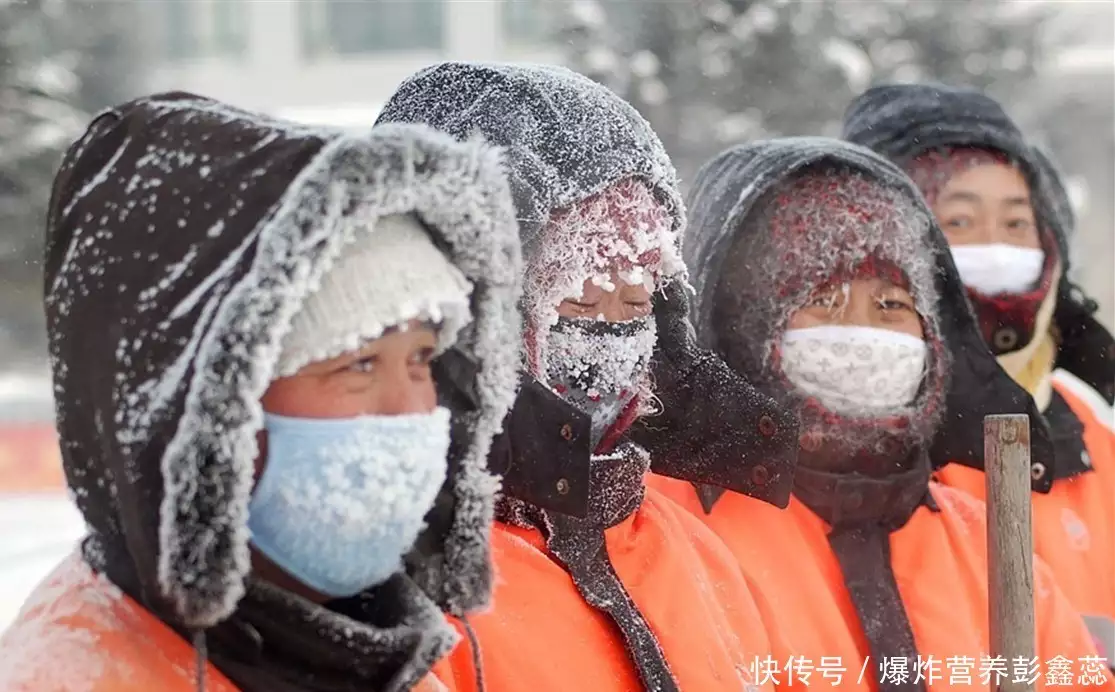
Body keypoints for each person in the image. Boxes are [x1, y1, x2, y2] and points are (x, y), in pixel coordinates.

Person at [0, 93, 523, 692]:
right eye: (358, 363)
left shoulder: (397, 659)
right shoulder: (81, 676)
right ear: (210, 407)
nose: (409, 410)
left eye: (423, 359)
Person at [376, 62, 800, 692]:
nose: (610, 338)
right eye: (574, 302)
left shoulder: (691, 549)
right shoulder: (398, 585)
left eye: (635, 304)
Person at [651, 136, 1110, 691]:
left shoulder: (984, 542)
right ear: (746, 326)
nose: (863, 330)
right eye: (821, 300)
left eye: (892, 304)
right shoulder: (664, 532)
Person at [843, 83, 1115, 638]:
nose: (995, 247)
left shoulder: (1093, 426)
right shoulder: (844, 448)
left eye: (1017, 224)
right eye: (960, 223)